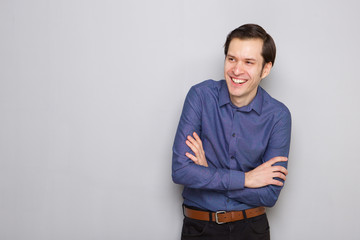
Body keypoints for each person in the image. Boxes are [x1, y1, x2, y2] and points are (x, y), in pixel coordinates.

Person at [172, 24, 291, 240]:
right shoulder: (200, 96)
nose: (236, 70)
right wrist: (246, 178)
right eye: (232, 59)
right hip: (200, 228)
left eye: (249, 62)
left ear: (266, 69)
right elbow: (181, 171)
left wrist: (207, 173)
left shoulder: (278, 116)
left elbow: (269, 194)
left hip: (252, 230)